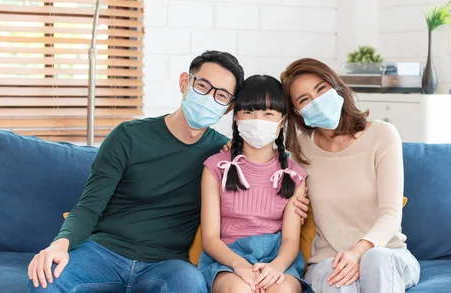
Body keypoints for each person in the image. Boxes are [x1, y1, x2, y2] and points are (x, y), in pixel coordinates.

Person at [26, 51, 310, 293]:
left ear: (228, 109)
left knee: (189, 283)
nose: (210, 98)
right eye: (203, 86)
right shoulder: (128, 136)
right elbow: (89, 206)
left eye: (221, 95)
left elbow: (263, 164)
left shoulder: (219, 155)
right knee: (47, 277)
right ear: (185, 83)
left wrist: (295, 188)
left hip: (165, 264)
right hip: (104, 251)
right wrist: (60, 244)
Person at [280, 58, 421, 293]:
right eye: (304, 99)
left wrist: (358, 253)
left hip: (388, 254)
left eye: (321, 89)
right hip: (330, 261)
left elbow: (391, 215)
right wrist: (232, 146)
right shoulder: (301, 149)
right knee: (332, 277)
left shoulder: (382, 135)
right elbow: (267, 166)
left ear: (335, 86)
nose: (317, 101)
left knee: (375, 259)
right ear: (297, 112)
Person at [199, 75, 313, 293]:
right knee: (240, 290)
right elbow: (210, 238)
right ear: (236, 118)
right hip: (228, 259)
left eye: (268, 113)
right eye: (248, 112)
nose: (257, 119)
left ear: (282, 121)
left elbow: (290, 239)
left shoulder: (295, 174)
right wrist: (239, 265)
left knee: (283, 290)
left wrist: (277, 267)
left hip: (277, 259)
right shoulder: (215, 167)